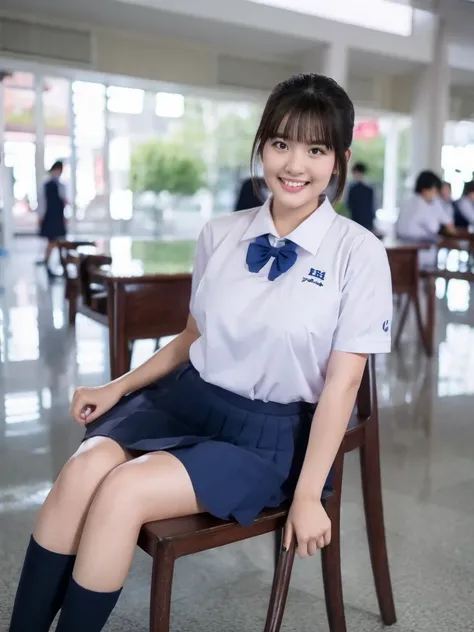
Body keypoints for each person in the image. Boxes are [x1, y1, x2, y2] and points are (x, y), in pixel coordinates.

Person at [9, 73, 393, 632]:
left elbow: (342, 388)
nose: (294, 164)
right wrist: (116, 387)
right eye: (281, 143)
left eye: (315, 149)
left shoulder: (359, 254)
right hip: (187, 401)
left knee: (122, 491)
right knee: (82, 469)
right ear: (261, 145)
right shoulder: (221, 233)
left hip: (269, 437)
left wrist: (311, 494)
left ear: (339, 159)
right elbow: (192, 338)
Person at [396, 170, 456, 243]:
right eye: (435, 191)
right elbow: (434, 228)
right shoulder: (423, 204)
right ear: (425, 190)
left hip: (402, 243)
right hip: (419, 246)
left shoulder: (409, 200)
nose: (436, 195)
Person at [36, 161, 67, 275]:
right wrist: (40, 216)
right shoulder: (46, 184)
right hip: (50, 216)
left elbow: (63, 200)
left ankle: (60, 263)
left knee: (59, 241)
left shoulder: (60, 184)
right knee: (52, 241)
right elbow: (42, 202)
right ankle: (47, 262)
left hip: (58, 216)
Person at [346, 161, 376, 231]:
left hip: (357, 220)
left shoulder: (353, 189)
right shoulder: (369, 189)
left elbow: (349, 205)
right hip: (366, 220)